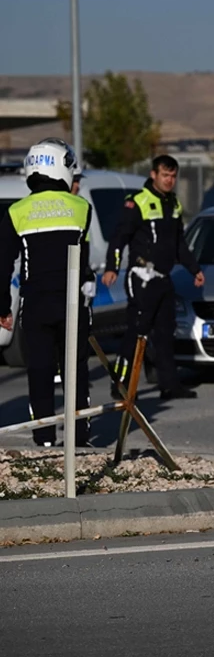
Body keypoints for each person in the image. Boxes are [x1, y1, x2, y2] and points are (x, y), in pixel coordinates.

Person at [0, 138, 95, 447]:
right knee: (76, 373)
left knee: (39, 372)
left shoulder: (17, 211)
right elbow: (84, 258)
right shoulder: (81, 208)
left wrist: (3, 307)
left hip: (35, 305)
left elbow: (2, 264)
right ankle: (79, 439)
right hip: (71, 303)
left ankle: (44, 440)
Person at [102, 155, 203, 400]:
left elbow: (180, 243)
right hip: (141, 277)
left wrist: (194, 269)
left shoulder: (174, 204)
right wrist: (112, 267)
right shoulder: (138, 202)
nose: (169, 180)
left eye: (173, 176)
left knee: (165, 333)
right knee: (137, 332)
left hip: (163, 278)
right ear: (153, 174)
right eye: (165, 175)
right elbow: (119, 237)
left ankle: (169, 385)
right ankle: (122, 384)